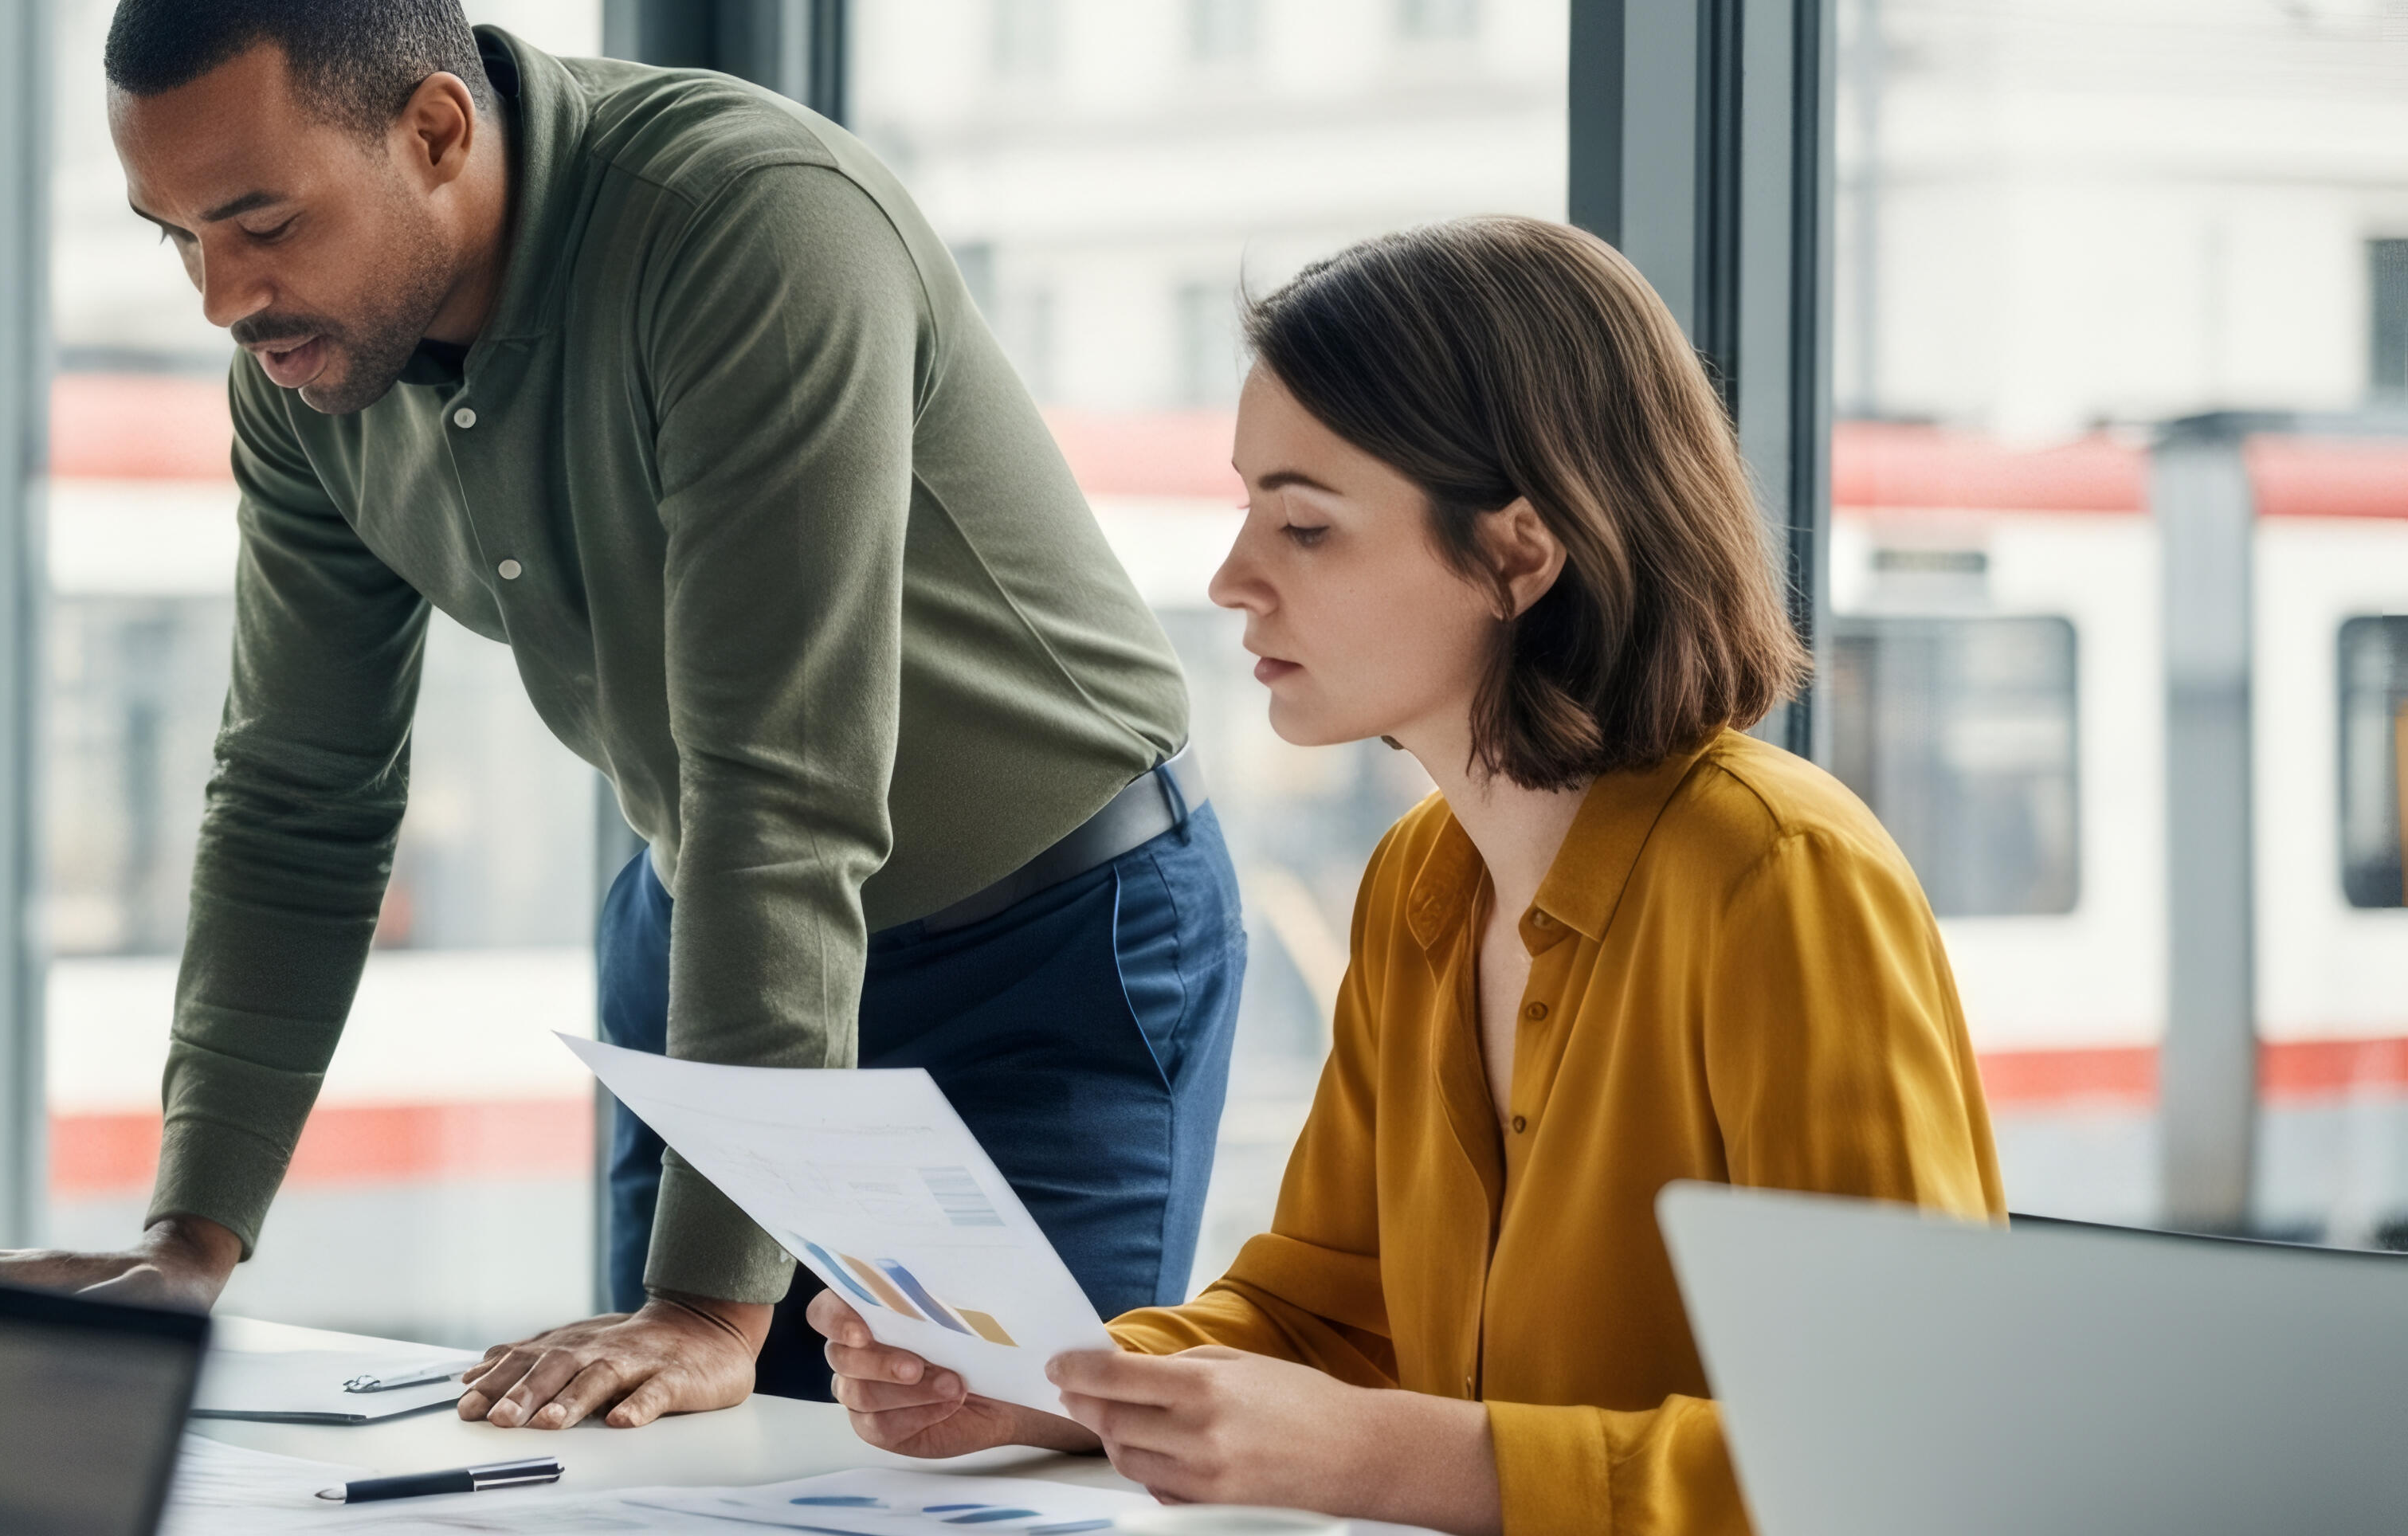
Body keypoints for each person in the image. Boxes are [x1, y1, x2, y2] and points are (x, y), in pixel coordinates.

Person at [0, 0, 1241, 1430]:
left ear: (433, 131)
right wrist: (187, 1245)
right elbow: (297, 798)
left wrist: (706, 1304)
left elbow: (783, 777)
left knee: (1004, 1477)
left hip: (1042, 954)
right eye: (176, 238)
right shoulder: (303, 371)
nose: (225, 298)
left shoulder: (748, 230)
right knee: (663, 1479)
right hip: (712, 945)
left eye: (262, 223)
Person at [816, 216, 2003, 1534]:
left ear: (1517, 554)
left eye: (1305, 526)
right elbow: (1322, 1313)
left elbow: (1912, 1459)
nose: (1232, 580)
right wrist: (1050, 1391)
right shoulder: (1421, 879)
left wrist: (1387, 1461)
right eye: (1248, 510)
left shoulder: (1781, 875)